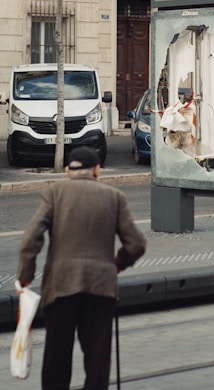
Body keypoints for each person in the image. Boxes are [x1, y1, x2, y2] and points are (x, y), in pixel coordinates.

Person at [16, 146, 146, 390]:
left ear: (67, 170)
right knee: (97, 361)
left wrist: (25, 276)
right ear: (97, 170)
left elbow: (31, 237)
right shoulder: (114, 197)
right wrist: (118, 263)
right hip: (101, 288)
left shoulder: (54, 192)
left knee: (57, 359)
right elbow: (137, 244)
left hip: (61, 287)